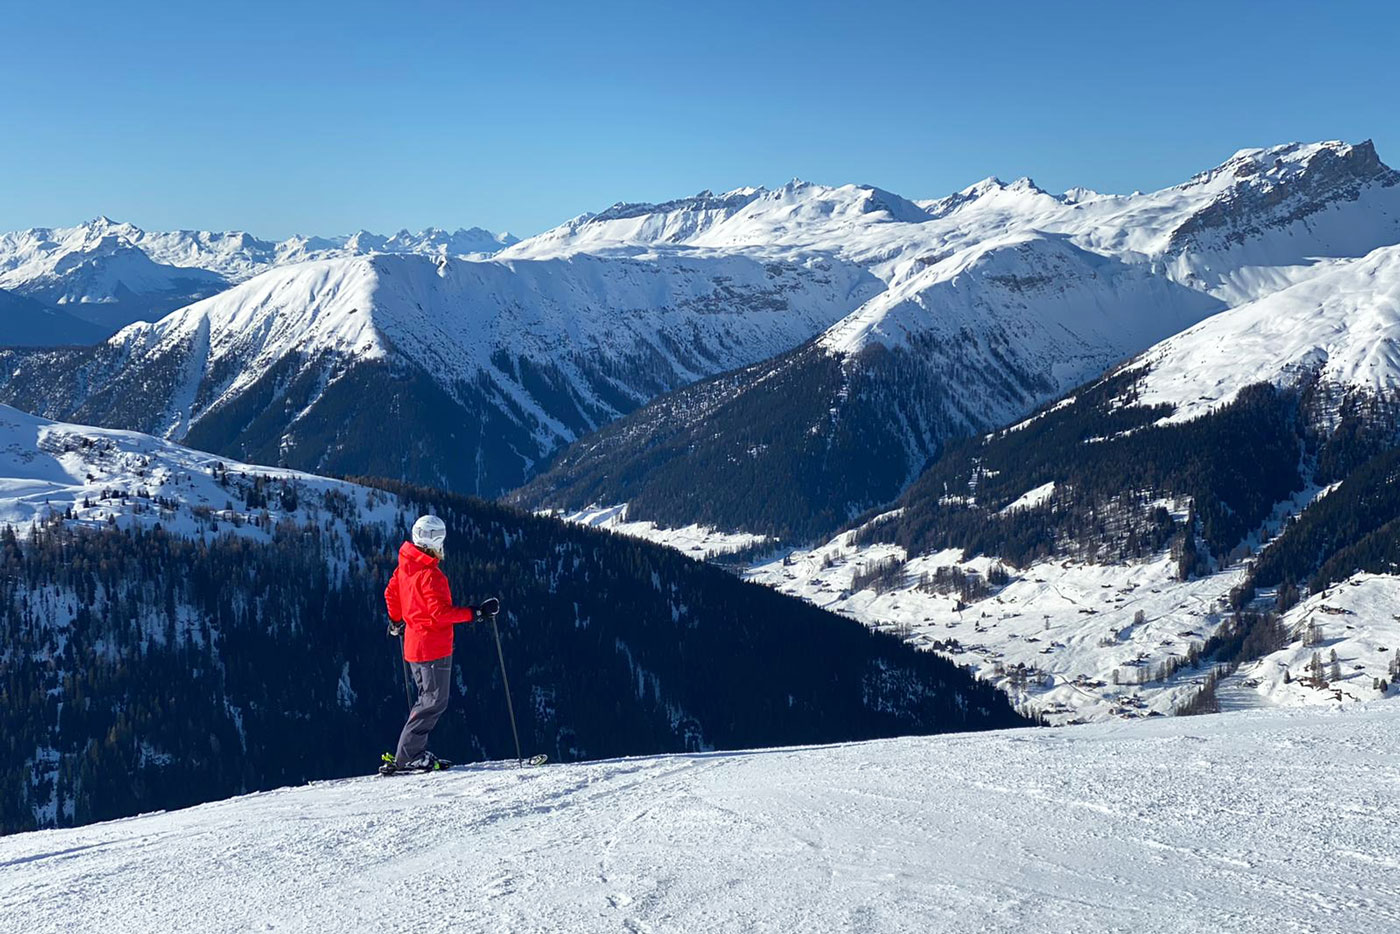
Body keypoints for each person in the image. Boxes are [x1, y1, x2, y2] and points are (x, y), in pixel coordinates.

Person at [380, 514, 499, 775]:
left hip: (413, 646)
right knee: (434, 702)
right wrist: (475, 613)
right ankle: (409, 755)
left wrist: (397, 620)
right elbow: (440, 614)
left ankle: (411, 753)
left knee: (427, 700)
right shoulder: (431, 575)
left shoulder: (406, 565)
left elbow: (391, 592)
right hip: (433, 648)